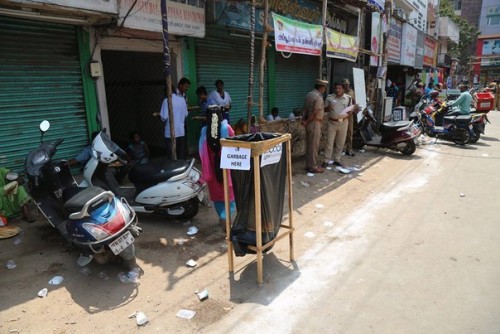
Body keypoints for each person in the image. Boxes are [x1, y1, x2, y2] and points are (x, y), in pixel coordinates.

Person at [199, 106, 236, 230]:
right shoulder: (227, 128)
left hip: (212, 171)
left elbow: (202, 152)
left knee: (217, 194)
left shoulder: (204, 131)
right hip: (226, 169)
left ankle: (222, 218)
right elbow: (236, 145)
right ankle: (228, 219)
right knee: (229, 193)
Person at [323, 82, 357, 168]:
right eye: (336, 88)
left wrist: (352, 111)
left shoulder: (348, 98)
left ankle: (337, 159)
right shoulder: (330, 98)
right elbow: (324, 109)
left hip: (343, 123)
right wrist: (328, 108)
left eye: (340, 88)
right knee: (329, 143)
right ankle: (326, 160)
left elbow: (350, 110)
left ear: (343, 89)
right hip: (332, 123)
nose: (338, 90)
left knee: (340, 142)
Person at [302, 79, 328, 173]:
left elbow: (304, 109)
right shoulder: (318, 97)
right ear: (322, 87)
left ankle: (308, 165)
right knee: (314, 146)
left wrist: (304, 120)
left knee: (309, 144)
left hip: (309, 123)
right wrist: (307, 121)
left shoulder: (309, 94)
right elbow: (315, 112)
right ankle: (313, 166)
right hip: (314, 122)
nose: (325, 89)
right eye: (324, 87)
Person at [160, 86, 190, 160]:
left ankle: (173, 169)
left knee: (171, 156)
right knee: (181, 155)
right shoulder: (182, 100)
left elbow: (164, 117)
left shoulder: (166, 101)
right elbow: (186, 114)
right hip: (180, 132)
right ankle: (182, 169)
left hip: (169, 133)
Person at [342, 78, 356, 157]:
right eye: (345, 85)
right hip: (342, 114)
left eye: (348, 85)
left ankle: (349, 149)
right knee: (341, 132)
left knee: (350, 132)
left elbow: (354, 102)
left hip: (350, 115)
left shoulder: (351, 92)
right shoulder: (341, 92)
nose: (347, 86)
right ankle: (341, 149)